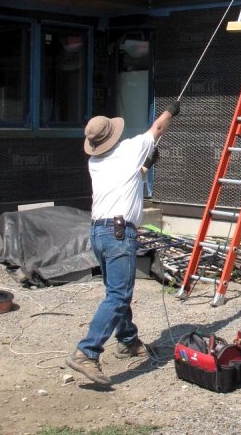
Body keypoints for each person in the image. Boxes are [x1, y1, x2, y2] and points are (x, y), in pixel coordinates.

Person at [66, 101, 180, 386]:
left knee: (115, 290)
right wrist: (171, 110)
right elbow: (157, 128)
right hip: (118, 235)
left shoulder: (95, 162)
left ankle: (127, 340)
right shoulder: (130, 148)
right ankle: (86, 352)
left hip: (98, 232)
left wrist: (146, 166)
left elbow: (128, 179)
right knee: (118, 295)